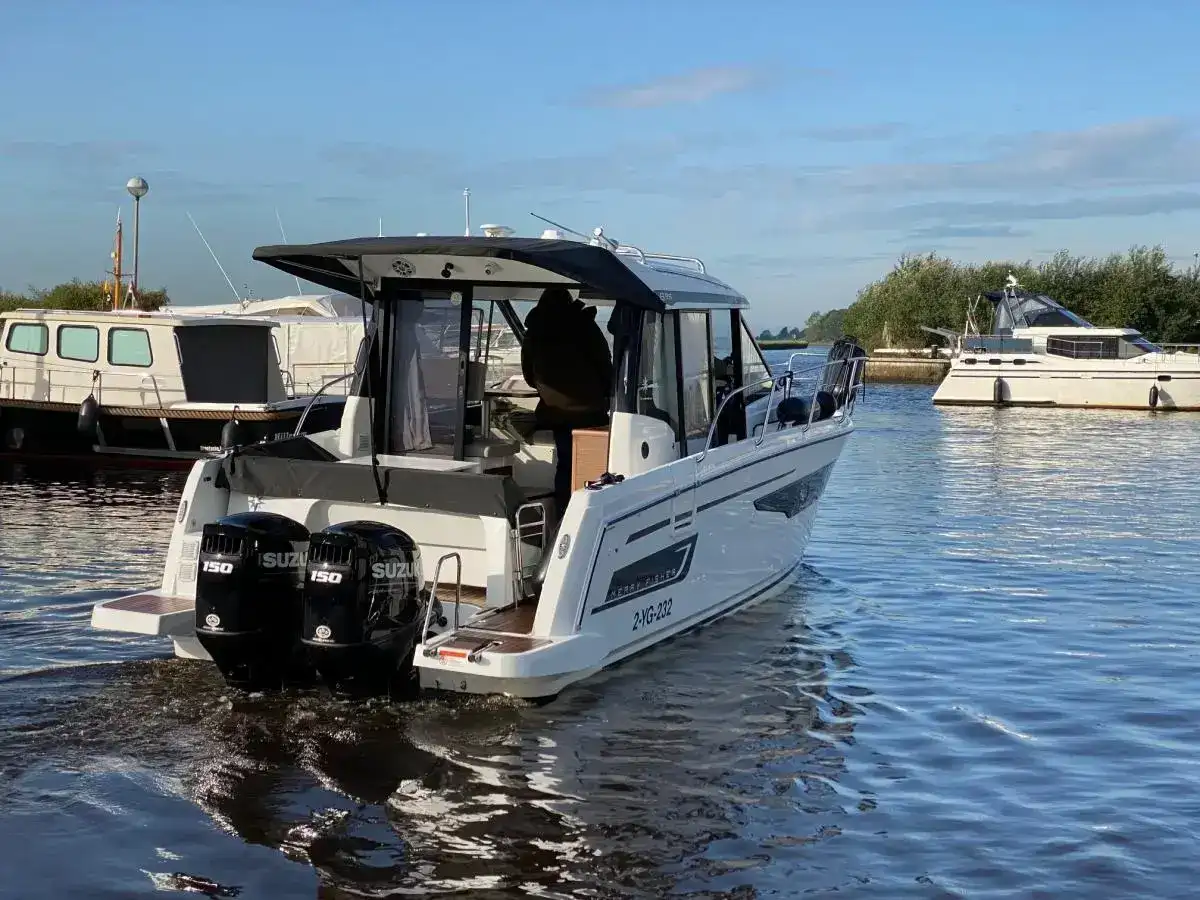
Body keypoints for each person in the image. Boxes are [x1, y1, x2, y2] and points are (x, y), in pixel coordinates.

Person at [520, 287, 612, 517]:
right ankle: (590, 514)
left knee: (565, 465)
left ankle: (564, 513)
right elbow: (604, 364)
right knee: (594, 465)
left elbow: (529, 376)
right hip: (591, 411)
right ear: (570, 302)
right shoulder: (585, 326)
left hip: (555, 413)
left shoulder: (535, 333)